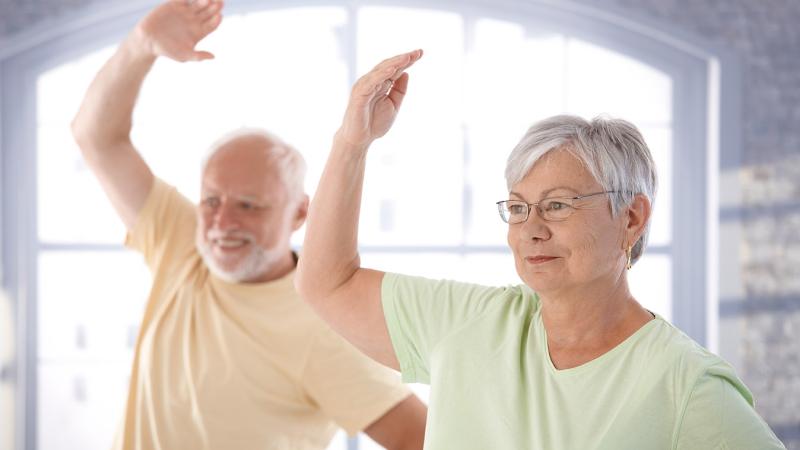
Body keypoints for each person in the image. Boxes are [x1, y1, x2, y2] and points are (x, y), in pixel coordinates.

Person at [295, 50, 787, 449]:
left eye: (556, 206)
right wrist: (352, 143)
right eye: (516, 207)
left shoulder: (686, 386)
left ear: (631, 217)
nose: (530, 228)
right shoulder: (465, 324)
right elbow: (325, 282)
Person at [70, 2, 427, 449]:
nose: (222, 222)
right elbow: (96, 136)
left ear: (299, 214)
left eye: (249, 205)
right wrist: (141, 45)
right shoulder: (182, 242)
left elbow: (423, 439)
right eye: (212, 200)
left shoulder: (326, 328)